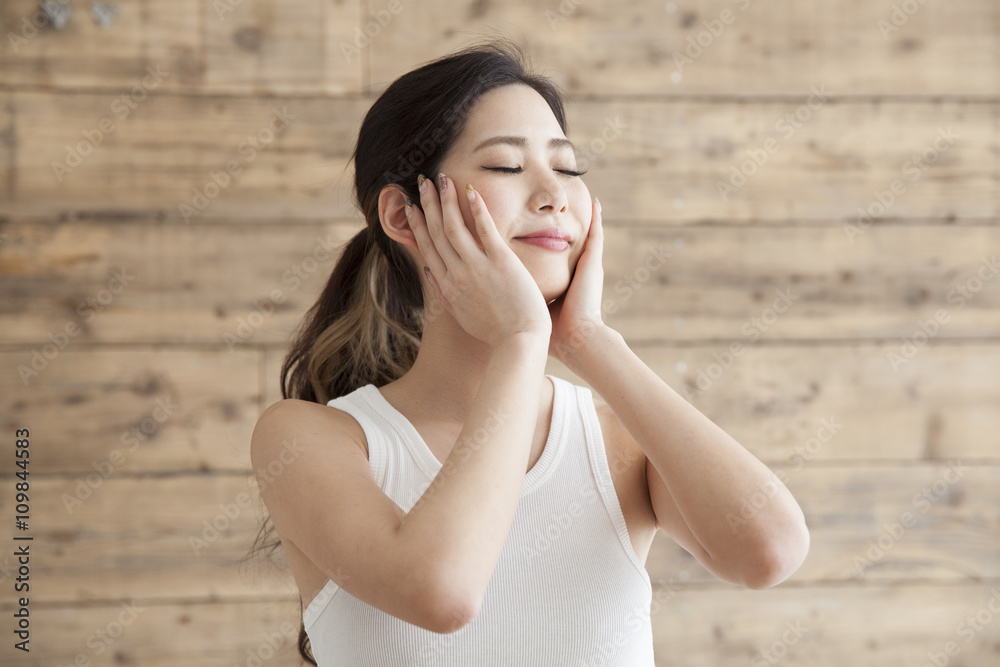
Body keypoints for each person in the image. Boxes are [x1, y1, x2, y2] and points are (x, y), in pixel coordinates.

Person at [245, 37, 810, 666]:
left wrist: (589, 342)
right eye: (508, 167)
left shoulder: (615, 439)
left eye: (567, 168)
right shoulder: (309, 439)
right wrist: (520, 340)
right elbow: (442, 592)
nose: (554, 195)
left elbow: (770, 552)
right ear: (405, 217)